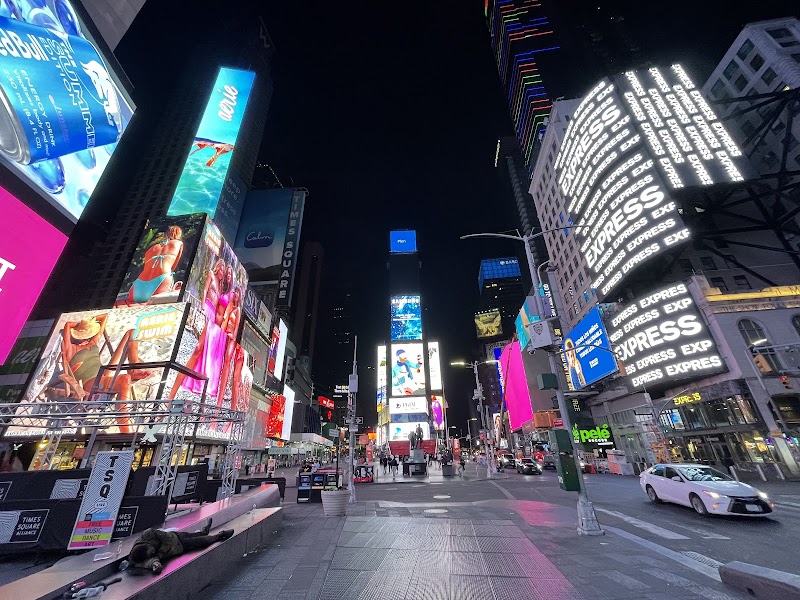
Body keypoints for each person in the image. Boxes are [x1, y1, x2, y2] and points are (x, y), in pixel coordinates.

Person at [168, 259, 228, 399]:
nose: (222, 271)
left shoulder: (220, 285)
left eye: (224, 270)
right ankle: (171, 394)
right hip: (206, 308)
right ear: (218, 267)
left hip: (213, 317)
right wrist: (201, 307)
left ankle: (193, 385)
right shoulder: (211, 275)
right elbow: (206, 290)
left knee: (202, 350)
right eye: (222, 268)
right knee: (198, 348)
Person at [128, 519, 233, 574]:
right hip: (180, 547)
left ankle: (204, 531)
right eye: (152, 553)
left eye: (152, 549)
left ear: (146, 544)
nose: (153, 551)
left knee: (194, 535)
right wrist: (155, 564)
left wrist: (160, 552)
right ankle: (220, 535)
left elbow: (167, 540)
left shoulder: (148, 533)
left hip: (175, 536)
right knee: (202, 541)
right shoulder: (138, 559)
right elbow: (149, 562)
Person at [124, 225, 184, 305]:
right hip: (161, 279)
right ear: (178, 234)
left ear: (165, 234)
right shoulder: (178, 243)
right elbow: (173, 266)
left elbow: (146, 266)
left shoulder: (151, 248)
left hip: (138, 287)